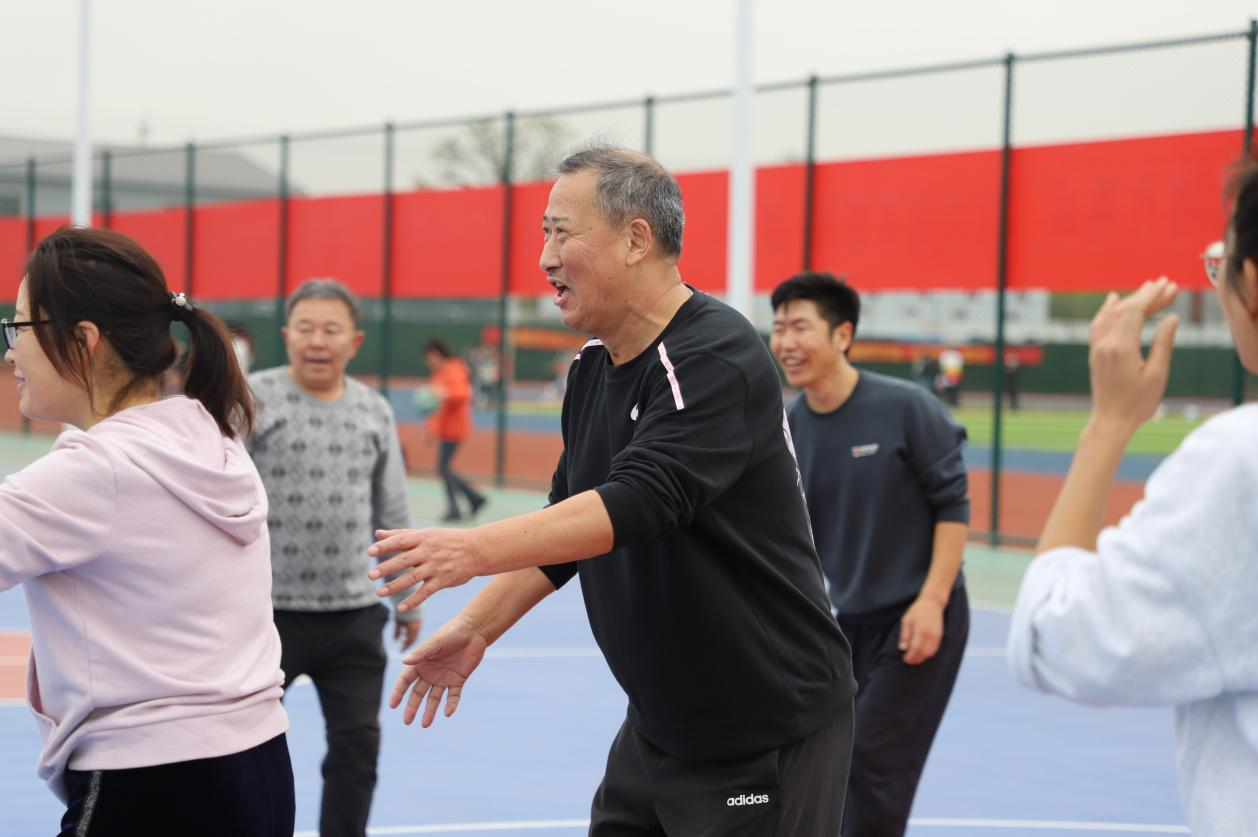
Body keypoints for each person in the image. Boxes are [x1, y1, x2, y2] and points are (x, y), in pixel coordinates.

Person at [366, 147, 857, 836]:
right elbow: (566, 525)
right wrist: (476, 627)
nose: (545, 257)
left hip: (761, 727)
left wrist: (469, 550)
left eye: (561, 233)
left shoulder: (714, 353)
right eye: (544, 233)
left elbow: (641, 499)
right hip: (661, 724)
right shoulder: (594, 368)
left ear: (635, 239)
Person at [0, 227, 292, 836]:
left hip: (151, 782)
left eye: (19, 327)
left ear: (82, 341)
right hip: (261, 765)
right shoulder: (212, 438)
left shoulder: (96, 471)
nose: (10, 352)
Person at [1007, 163, 1258, 836]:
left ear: (1251, 282)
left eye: (1221, 264)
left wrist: (1108, 424)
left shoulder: (1240, 458)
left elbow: (1052, 637)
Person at [770, 272, 970, 836]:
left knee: (873, 762)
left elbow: (953, 507)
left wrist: (931, 603)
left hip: (919, 616)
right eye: (779, 328)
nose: (785, 342)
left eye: (800, 327)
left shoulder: (907, 408)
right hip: (847, 626)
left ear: (843, 335)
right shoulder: (788, 427)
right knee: (829, 762)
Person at [246, 279, 418, 837]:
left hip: (352, 619)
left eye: (330, 330)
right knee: (243, 749)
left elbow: (392, 512)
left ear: (354, 341)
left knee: (356, 748)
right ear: (286, 335)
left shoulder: (374, 410)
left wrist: (408, 600)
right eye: (305, 328)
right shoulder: (251, 399)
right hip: (265, 617)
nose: (317, 341)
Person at [422, 338, 487, 522]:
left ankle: (458, 506)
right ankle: (473, 499)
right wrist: (431, 428)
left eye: (429, 358)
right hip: (445, 429)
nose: (428, 363)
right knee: (444, 468)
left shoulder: (453, 369)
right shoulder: (438, 374)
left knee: (443, 468)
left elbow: (462, 393)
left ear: (436, 355)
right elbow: (436, 407)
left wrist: (444, 393)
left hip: (455, 428)